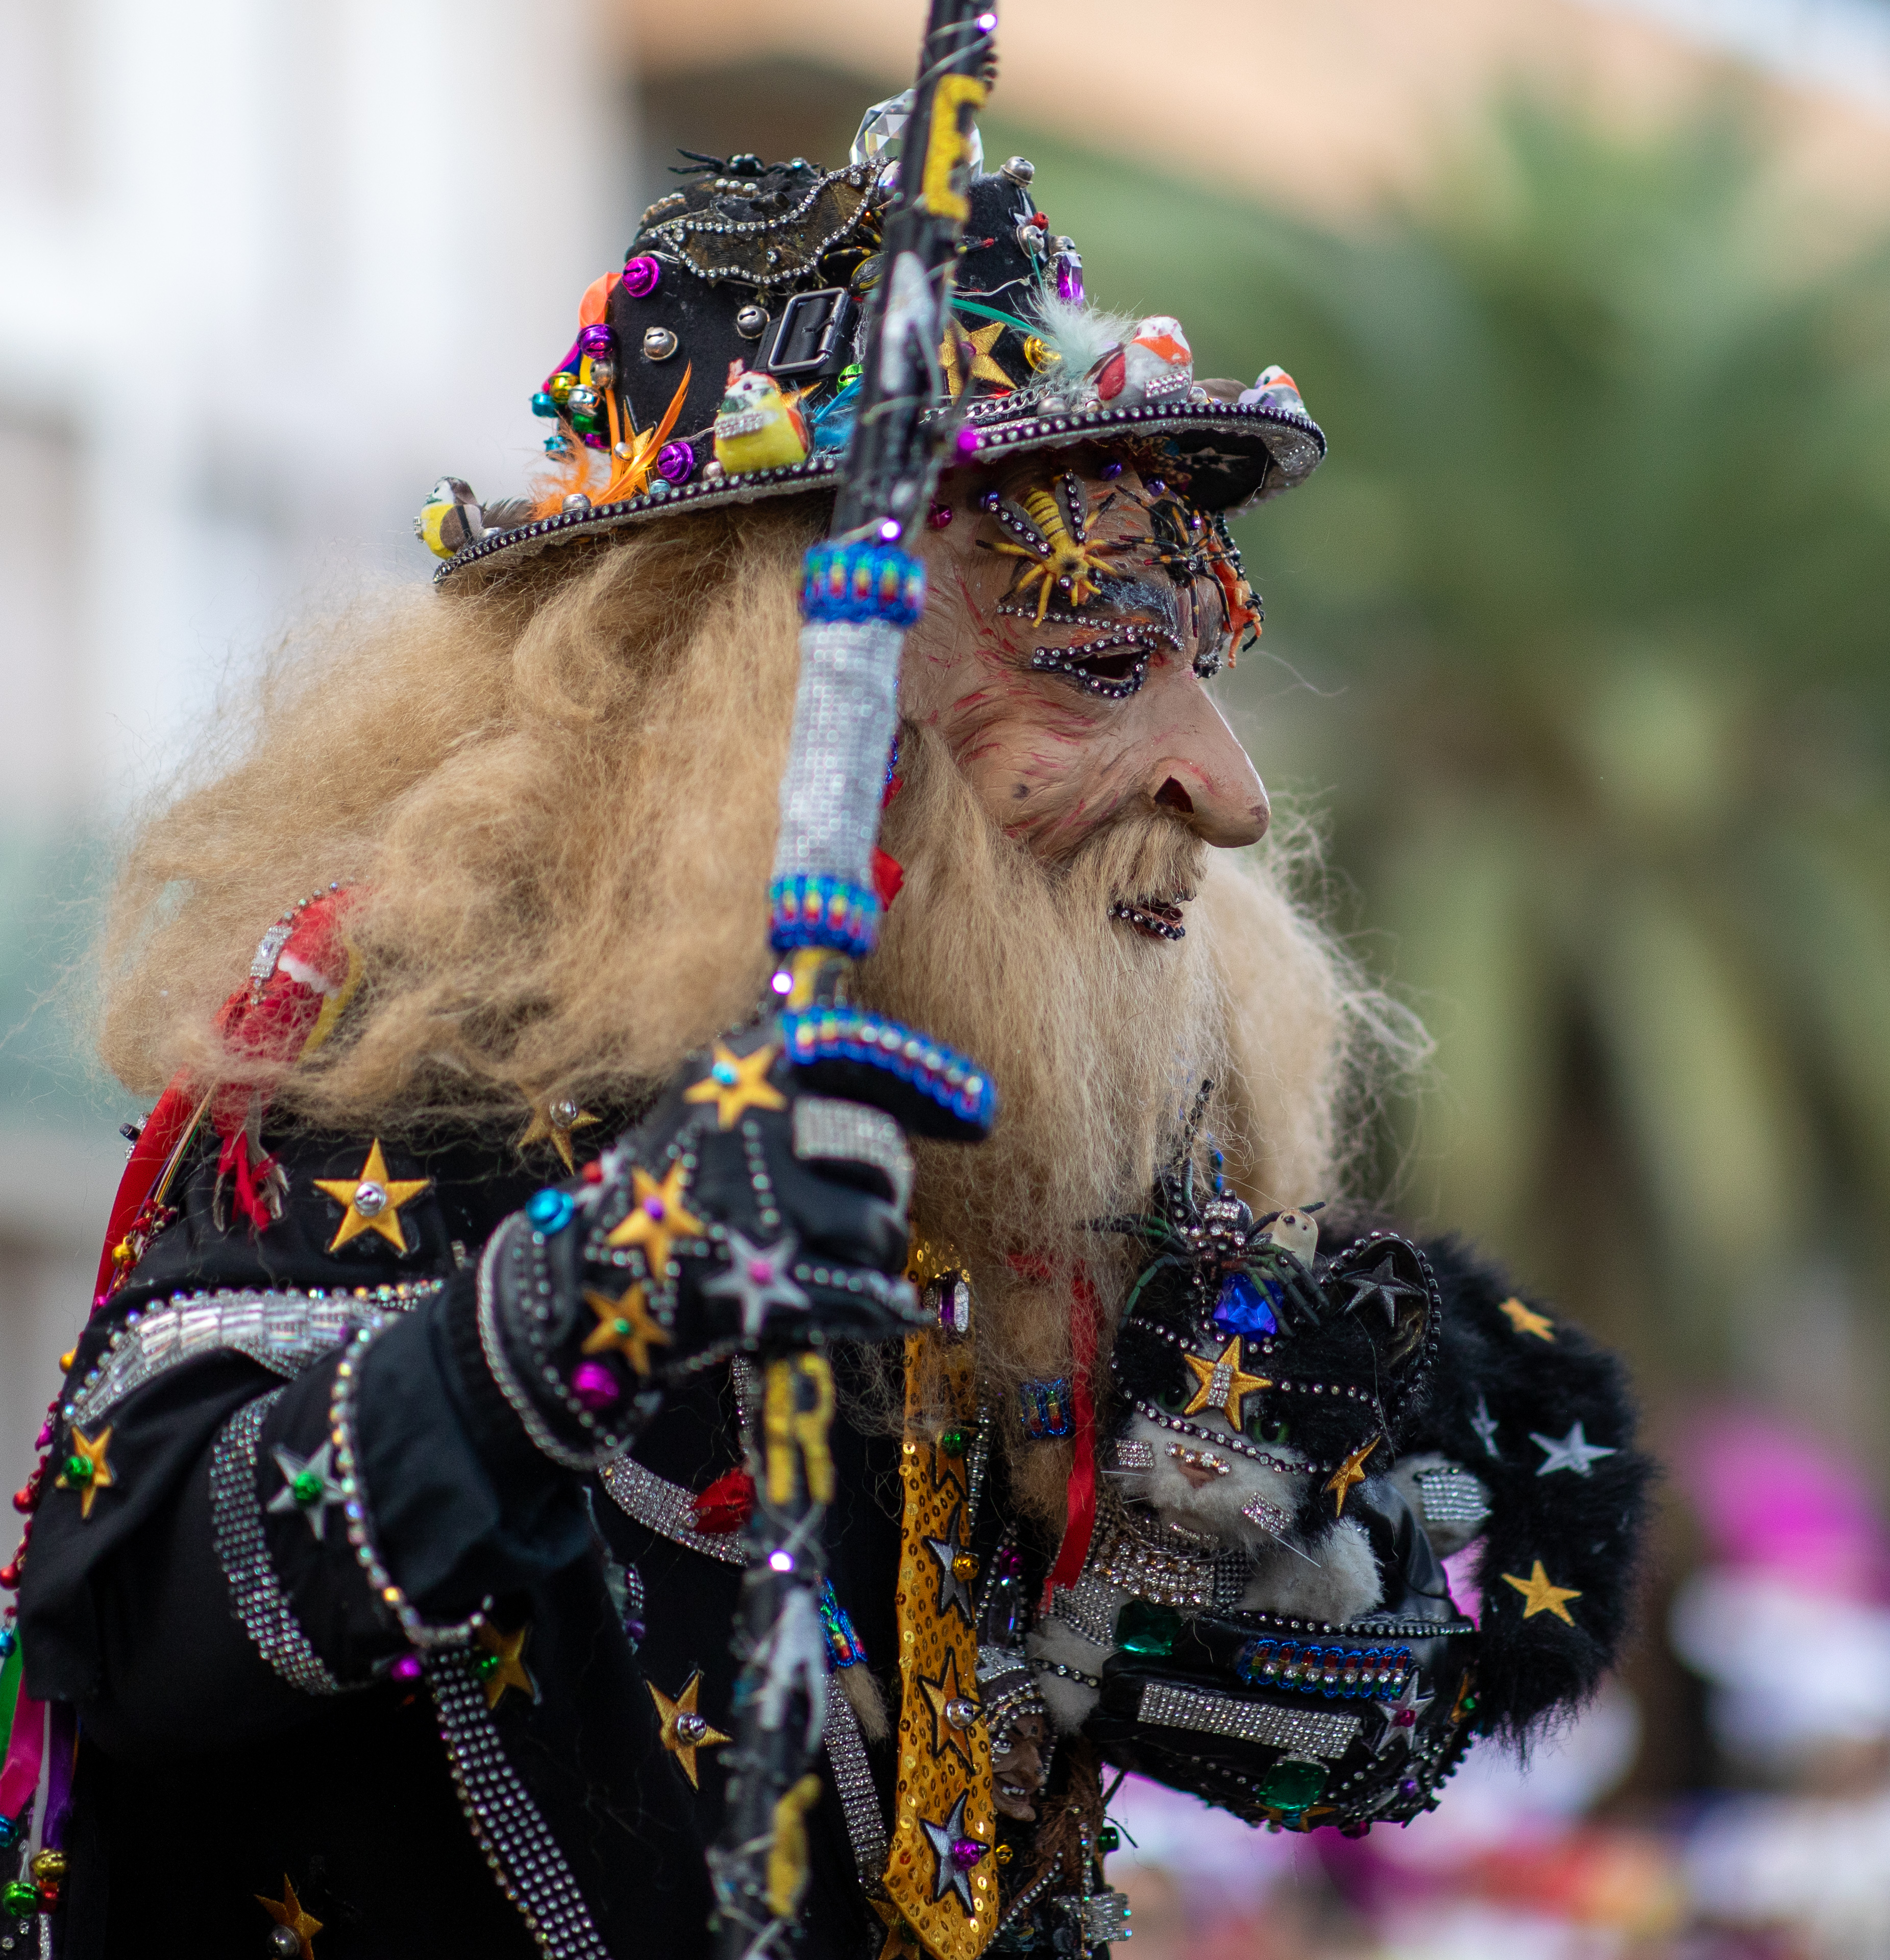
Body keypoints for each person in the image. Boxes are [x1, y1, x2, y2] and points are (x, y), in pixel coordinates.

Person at [1, 88, 1651, 1960]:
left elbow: (1259, 1718)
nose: (1230, 789)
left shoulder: (1045, 1185)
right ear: (771, 711)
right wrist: (580, 1311)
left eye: (1204, 661)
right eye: (1103, 660)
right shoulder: (436, 1057)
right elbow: (122, 1605)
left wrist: (1396, 1531)